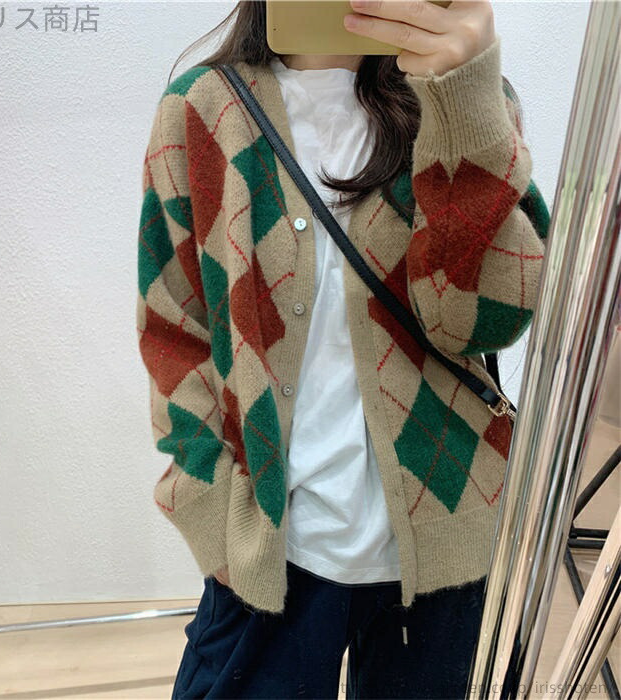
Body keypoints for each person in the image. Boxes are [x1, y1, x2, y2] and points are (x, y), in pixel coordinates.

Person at [136, 0, 551, 697]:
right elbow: (172, 327)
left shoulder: (461, 97)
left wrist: (465, 99)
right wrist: (210, 508)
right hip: (269, 548)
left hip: (445, 539)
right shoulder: (202, 108)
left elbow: (486, 322)